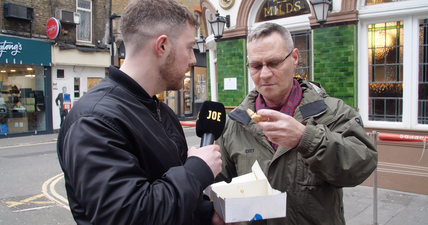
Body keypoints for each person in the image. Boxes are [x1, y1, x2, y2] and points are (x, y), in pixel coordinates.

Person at [56, 0, 225, 224]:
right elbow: (128, 216)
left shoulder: (161, 110)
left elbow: (171, 194)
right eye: (189, 47)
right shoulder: (94, 120)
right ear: (162, 46)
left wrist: (207, 214)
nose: (194, 60)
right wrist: (197, 170)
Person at [215, 23, 378, 225]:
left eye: (274, 63)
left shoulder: (332, 111)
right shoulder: (235, 122)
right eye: (256, 66)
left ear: (294, 58)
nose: (264, 74)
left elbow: (362, 165)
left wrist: (305, 138)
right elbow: (219, 183)